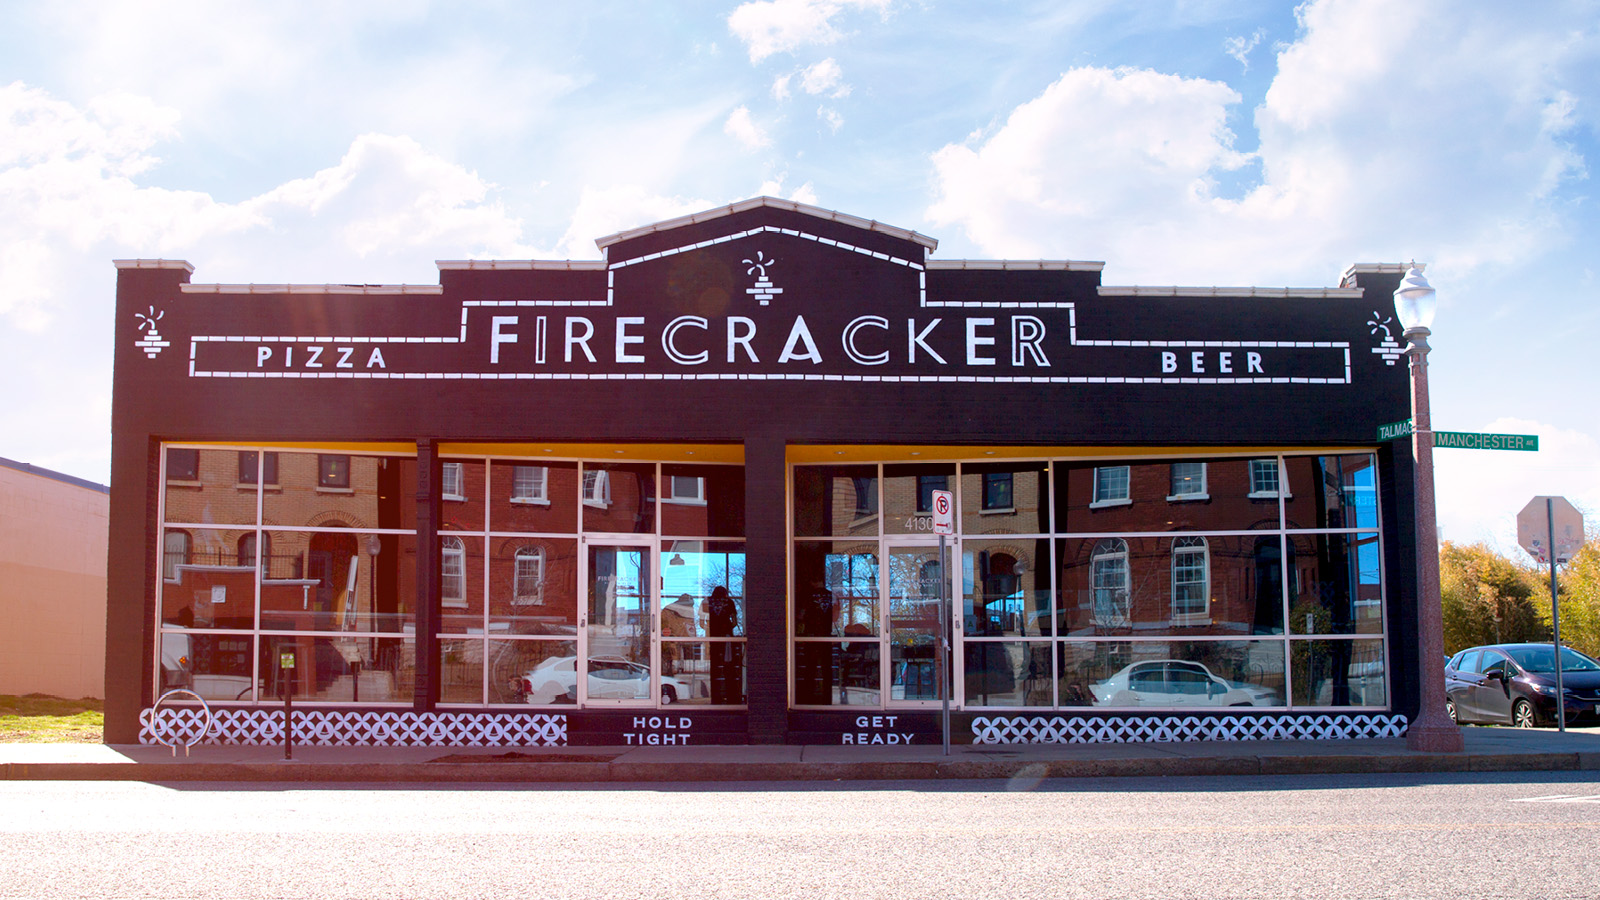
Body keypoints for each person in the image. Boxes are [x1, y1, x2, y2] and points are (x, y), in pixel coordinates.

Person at [706, 585, 740, 703]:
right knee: (728, 666)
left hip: (713, 636)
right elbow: (734, 621)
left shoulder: (708, 602)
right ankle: (732, 696)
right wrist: (728, 628)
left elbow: (702, 622)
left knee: (715, 666)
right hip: (726, 637)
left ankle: (715, 697)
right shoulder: (729, 602)